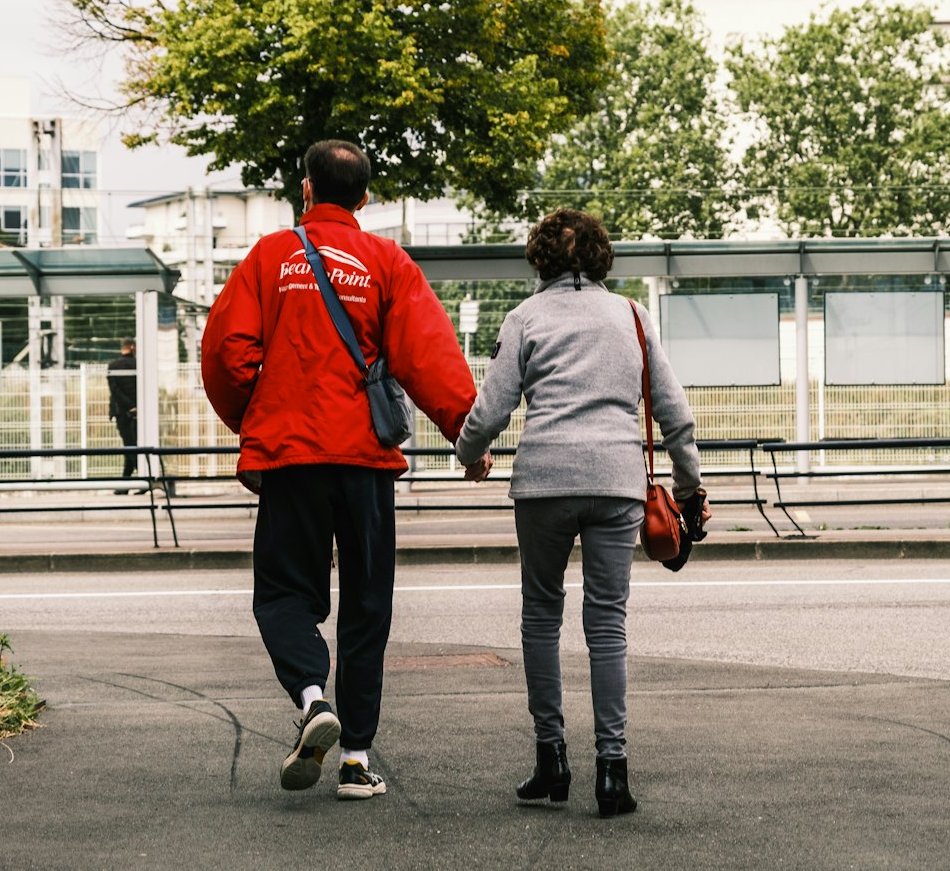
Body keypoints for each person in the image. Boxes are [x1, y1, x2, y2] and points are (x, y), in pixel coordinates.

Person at [202, 139, 490, 802]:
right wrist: (466, 435)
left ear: (306, 190)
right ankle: (357, 759)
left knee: (282, 597)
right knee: (366, 606)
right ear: (365, 198)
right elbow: (427, 354)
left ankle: (311, 698)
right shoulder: (386, 261)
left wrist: (260, 415)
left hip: (293, 459)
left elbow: (226, 350)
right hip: (364, 461)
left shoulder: (270, 258)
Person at [455, 208, 708, 819]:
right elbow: (674, 414)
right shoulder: (631, 315)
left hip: (544, 482)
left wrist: (468, 452)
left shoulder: (525, 318)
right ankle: (612, 774)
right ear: (600, 257)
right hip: (617, 482)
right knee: (607, 625)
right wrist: (690, 488)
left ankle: (552, 761)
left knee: (541, 616)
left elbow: (491, 409)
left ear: (539, 256)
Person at [107, 337, 138, 493]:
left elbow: (115, 391)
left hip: (121, 412)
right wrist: (136, 406)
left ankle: (127, 484)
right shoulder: (138, 365)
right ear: (132, 347)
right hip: (140, 412)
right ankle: (128, 483)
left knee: (130, 446)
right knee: (133, 446)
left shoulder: (113, 366)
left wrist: (129, 406)